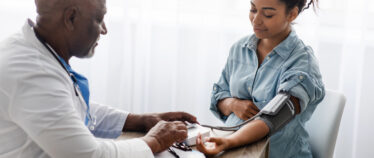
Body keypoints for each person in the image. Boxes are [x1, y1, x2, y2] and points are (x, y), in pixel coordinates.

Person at [0, 0, 198, 157]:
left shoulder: (31, 49)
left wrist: (139, 120)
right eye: (99, 18)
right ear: (70, 18)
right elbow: (90, 155)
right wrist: (154, 140)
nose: (104, 29)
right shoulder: (33, 73)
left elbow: (65, 107)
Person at [196, 0, 325, 157]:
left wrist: (229, 142)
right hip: (232, 149)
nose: (256, 20)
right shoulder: (239, 49)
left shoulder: (303, 63)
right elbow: (218, 96)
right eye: (253, 9)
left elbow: (274, 117)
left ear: (292, 14)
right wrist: (233, 104)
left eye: (268, 14)